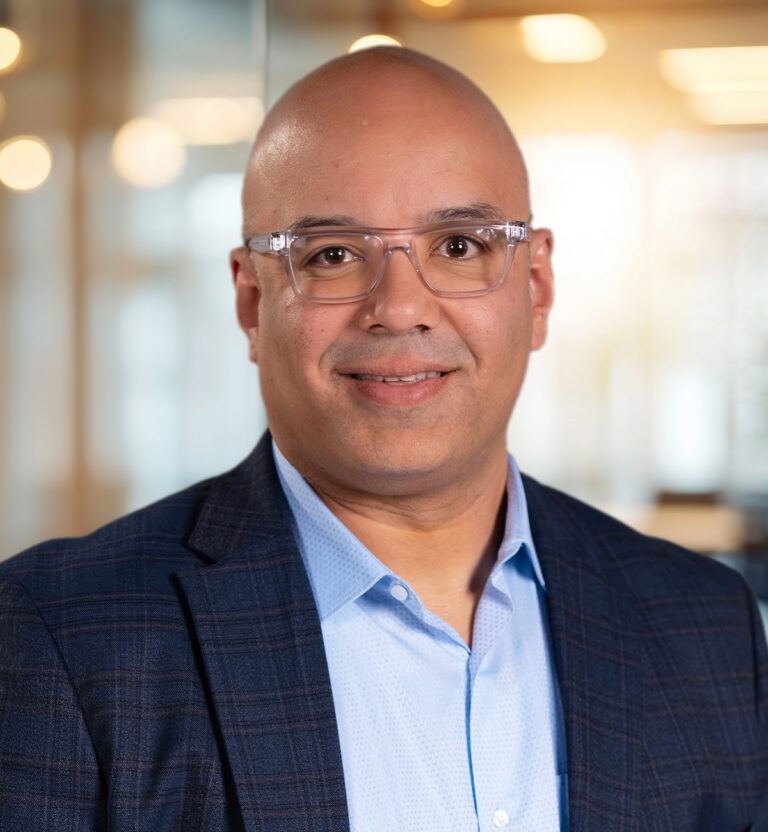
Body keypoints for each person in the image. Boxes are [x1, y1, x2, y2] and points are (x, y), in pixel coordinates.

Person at [0, 47, 765, 832]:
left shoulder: (705, 626)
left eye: (460, 246)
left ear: (535, 288)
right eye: (333, 256)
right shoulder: (62, 641)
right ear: (251, 302)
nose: (400, 308)